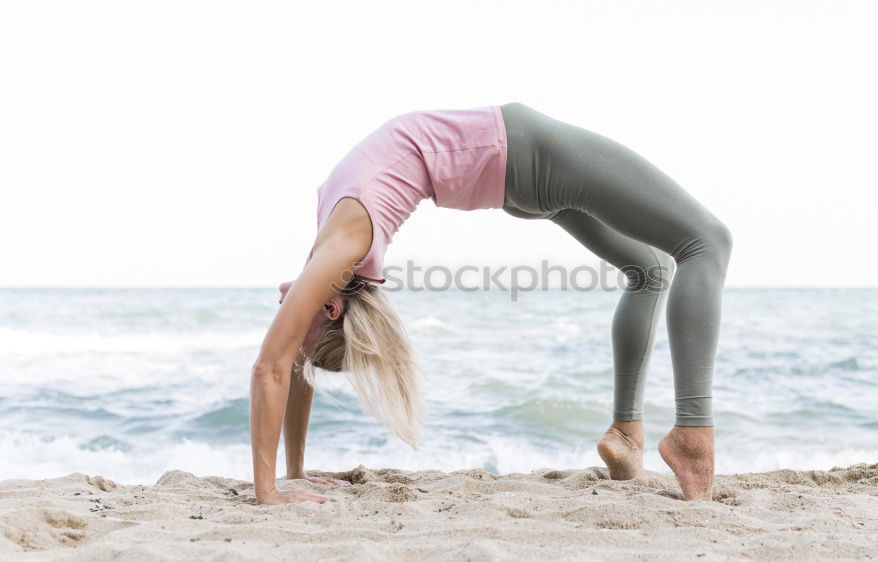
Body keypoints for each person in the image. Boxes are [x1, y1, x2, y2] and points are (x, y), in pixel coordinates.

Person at [250, 102, 733, 505]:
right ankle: (693, 435)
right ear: (331, 309)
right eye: (300, 331)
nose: (284, 320)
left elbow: (289, 361)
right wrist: (269, 491)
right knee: (707, 242)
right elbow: (273, 367)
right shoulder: (340, 251)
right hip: (524, 151)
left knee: (650, 270)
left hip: (513, 176)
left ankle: (626, 435)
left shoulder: (330, 248)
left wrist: (294, 474)